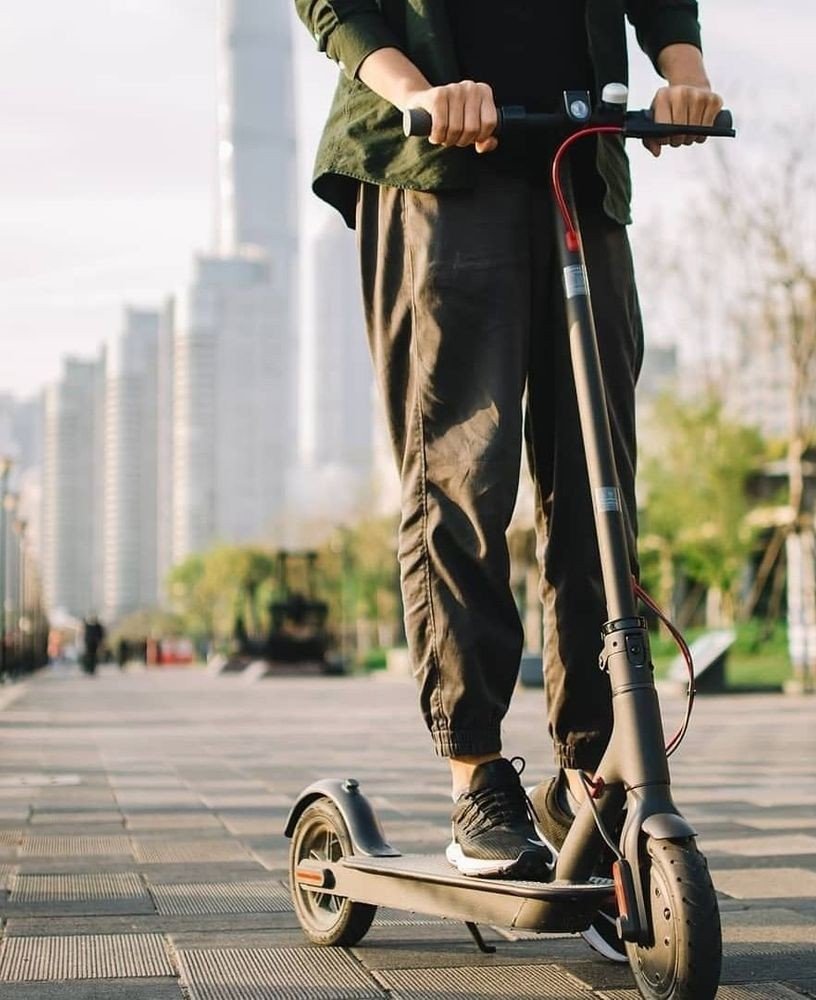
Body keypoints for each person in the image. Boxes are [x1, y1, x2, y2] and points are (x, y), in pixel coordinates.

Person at [295, 0, 722, 954]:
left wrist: (680, 67)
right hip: (439, 162)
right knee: (464, 473)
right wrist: (416, 88)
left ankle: (587, 775)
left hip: (581, 150)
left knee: (599, 488)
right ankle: (476, 774)